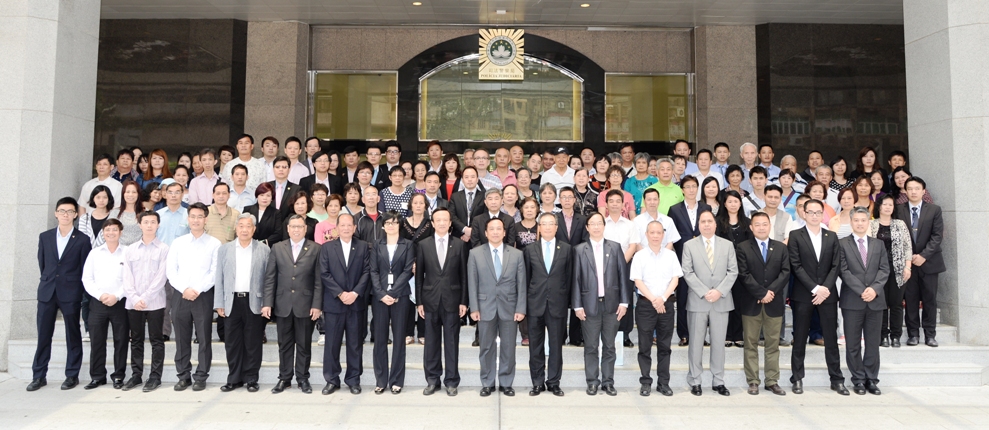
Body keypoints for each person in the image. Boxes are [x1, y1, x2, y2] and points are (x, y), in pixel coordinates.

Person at [28, 197, 94, 392]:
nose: (65, 215)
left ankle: (71, 375)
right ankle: (39, 376)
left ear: (75, 215)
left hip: (71, 292)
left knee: (72, 334)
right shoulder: (45, 237)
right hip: (47, 292)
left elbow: (84, 269)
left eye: (70, 211)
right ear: (56, 213)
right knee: (43, 336)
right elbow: (43, 264)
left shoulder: (82, 239)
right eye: (62, 211)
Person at [787, 198, 847, 395]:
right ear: (803, 213)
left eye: (817, 212)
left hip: (828, 295)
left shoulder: (831, 236)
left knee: (831, 337)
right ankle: (797, 378)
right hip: (804, 294)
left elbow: (835, 265)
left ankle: (836, 379)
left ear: (823, 214)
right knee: (800, 337)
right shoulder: (795, 235)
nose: (814, 215)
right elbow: (795, 265)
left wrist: (825, 289)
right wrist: (814, 288)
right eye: (810, 212)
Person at [262, 214, 322, 394]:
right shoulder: (277, 248)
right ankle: (284, 378)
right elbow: (270, 277)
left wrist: (317, 305)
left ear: (305, 229)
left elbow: (319, 280)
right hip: (283, 304)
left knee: (304, 345)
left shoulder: (316, 248)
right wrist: (267, 303)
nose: (296, 230)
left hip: (306, 304)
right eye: (293, 226)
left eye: (299, 227)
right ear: (288, 229)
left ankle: (303, 378)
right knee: (284, 344)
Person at [468, 217, 527, 397]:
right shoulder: (475, 253)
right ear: (486, 233)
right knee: (486, 347)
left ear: (504, 232)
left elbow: (521, 283)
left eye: (498, 229)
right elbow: (472, 282)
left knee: (509, 347)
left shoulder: (516, 254)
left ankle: (506, 383)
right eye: (491, 229)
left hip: (509, 307)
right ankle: (487, 382)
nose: (495, 232)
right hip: (485, 306)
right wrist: (474, 308)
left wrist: (520, 308)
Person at [681, 210, 737, 397]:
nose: (706, 224)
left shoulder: (727, 245)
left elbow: (733, 271)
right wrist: (705, 292)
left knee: (719, 343)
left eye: (709, 221)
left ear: (715, 224)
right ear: (698, 225)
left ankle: (718, 381)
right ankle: (695, 380)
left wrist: (719, 291)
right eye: (703, 221)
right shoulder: (689, 245)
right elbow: (687, 272)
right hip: (698, 300)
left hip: (721, 300)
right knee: (696, 343)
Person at [572, 212, 628, 396]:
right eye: (592, 224)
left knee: (610, 346)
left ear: (604, 226)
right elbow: (576, 280)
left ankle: (608, 382)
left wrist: (624, 302)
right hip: (589, 306)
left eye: (599, 223)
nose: (596, 227)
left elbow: (622, 276)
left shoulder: (615, 247)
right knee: (591, 346)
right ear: (587, 227)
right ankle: (592, 381)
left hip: (612, 305)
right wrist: (577, 306)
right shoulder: (580, 250)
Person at [166, 202, 221, 392]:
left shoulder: (214, 243)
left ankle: (201, 376)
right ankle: (183, 376)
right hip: (180, 296)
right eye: (193, 216)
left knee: (204, 338)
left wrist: (197, 289)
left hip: (203, 296)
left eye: (200, 216)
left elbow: (214, 273)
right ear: (188, 219)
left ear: (206, 219)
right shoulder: (178, 243)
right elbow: (171, 271)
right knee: (181, 338)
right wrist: (185, 289)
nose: (196, 220)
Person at [214, 214, 270, 393]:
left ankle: (252, 378)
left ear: (254, 229)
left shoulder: (264, 249)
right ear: (236, 229)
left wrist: (267, 303)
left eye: (248, 226)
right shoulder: (225, 249)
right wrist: (219, 302)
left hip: (254, 301)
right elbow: (219, 278)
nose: (244, 229)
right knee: (232, 342)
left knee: (253, 342)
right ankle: (234, 378)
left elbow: (269, 280)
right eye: (241, 226)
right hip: (231, 302)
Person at [735, 212, 790, 396]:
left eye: (764, 224)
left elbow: (785, 272)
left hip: (773, 303)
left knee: (772, 344)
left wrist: (770, 293)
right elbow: (743, 274)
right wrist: (761, 293)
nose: (761, 227)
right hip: (751, 302)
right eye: (757, 224)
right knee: (750, 343)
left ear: (770, 226)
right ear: (751, 227)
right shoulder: (743, 248)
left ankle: (772, 380)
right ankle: (753, 381)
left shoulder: (781, 248)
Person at [415, 208, 468, 396]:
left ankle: (452, 381)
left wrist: (464, 301)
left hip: (453, 301)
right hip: (429, 301)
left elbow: (464, 276)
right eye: (438, 220)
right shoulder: (423, 245)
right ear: (432, 222)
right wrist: (419, 302)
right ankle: (432, 380)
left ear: (450, 222)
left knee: (452, 343)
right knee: (431, 343)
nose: (442, 223)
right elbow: (419, 276)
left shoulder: (460, 245)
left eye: (446, 219)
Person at [838, 206, 890, 395]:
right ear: (851, 222)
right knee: (852, 344)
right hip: (852, 300)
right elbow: (844, 271)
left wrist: (874, 290)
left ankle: (871, 379)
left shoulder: (878, 244)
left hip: (875, 301)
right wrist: (863, 290)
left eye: (863, 220)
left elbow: (884, 269)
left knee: (872, 343)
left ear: (869, 222)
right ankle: (858, 379)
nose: (860, 223)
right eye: (856, 220)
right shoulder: (842, 243)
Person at [319, 214, 371, 395]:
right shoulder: (326, 248)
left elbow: (367, 271)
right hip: (334, 303)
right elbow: (324, 273)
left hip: (356, 303)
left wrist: (355, 293)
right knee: (332, 344)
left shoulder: (363, 247)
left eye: (350, 225)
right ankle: (332, 380)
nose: (346, 228)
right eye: (343, 225)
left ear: (355, 228)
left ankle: (353, 380)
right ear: (337, 227)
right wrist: (341, 294)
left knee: (355, 344)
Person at [523, 213, 572, 397]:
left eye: (551, 224)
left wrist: (568, 302)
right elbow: (526, 279)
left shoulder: (566, 249)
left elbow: (569, 278)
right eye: (544, 224)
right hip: (535, 304)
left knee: (556, 345)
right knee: (535, 346)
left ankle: (554, 382)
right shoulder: (530, 250)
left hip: (557, 305)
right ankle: (537, 382)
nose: (548, 227)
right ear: (539, 227)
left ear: (557, 227)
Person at [630, 221, 682, 397]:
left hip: (666, 304)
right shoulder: (640, 256)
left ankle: (663, 383)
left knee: (664, 346)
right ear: (646, 234)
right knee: (644, 346)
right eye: (652, 232)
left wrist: (663, 299)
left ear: (663, 235)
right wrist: (654, 300)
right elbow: (638, 280)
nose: (655, 235)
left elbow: (675, 279)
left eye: (658, 232)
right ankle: (645, 382)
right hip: (646, 305)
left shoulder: (671, 255)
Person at [120, 211, 169, 392]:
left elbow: (161, 277)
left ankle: (155, 377)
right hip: (133, 303)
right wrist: (134, 298)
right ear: (139, 224)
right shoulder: (130, 249)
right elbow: (126, 277)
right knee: (136, 340)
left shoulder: (164, 249)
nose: (149, 225)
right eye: (145, 222)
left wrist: (146, 297)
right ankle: (136, 375)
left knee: (156, 340)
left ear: (158, 224)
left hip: (155, 302)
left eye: (153, 222)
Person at [369, 211, 415, 394]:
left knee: (399, 340)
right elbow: (372, 271)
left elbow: (408, 270)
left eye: (395, 223)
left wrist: (394, 292)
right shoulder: (376, 245)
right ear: (383, 226)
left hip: (400, 296)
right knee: (380, 339)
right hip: (380, 298)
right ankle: (381, 380)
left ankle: (396, 380)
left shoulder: (408, 245)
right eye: (387, 223)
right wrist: (381, 294)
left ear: (399, 225)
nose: (391, 226)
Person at [80, 218, 127, 390]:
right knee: (97, 341)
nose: (111, 233)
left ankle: (118, 376)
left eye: (114, 230)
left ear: (120, 232)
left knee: (121, 341)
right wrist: (100, 295)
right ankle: (98, 376)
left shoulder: (127, 253)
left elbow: (130, 279)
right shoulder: (94, 253)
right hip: (98, 303)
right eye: (107, 230)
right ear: (103, 233)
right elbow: (87, 278)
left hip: (120, 302)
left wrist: (117, 295)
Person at [896, 177, 944, 347]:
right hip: (908, 264)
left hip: (929, 262)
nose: (914, 191)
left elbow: (937, 236)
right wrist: (909, 257)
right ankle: (913, 334)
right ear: (905, 191)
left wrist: (923, 255)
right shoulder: (898, 209)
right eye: (910, 188)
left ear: (924, 191)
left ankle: (930, 334)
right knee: (911, 299)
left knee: (930, 299)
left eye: (917, 188)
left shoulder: (934, 210)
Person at [668, 175, 711, 347]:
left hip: (704, 258)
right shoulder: (675, 209)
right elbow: (672, 235)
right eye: (688, 187)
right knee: (684, 297)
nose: (691, 190)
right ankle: (684, 334)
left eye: (694, 186)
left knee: (702, 297)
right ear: (682, 189)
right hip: (682, 258)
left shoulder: (705, 207)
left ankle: (701, 335)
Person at [869, 194, 913, 348]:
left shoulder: (900, 224)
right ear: (879, 206)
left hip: (898, 269)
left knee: (896, 303)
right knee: (881, 303)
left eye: (891, 205)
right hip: (877, 271)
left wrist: (908, 266)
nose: (888, 207)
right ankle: (883, 335)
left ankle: (896, 335)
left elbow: (908, 246)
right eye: (885, 204)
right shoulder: (871, 224)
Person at [715, 191, 750, 348]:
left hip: (742, 269)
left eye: (736, 201)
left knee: (739, 303)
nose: (733, 204)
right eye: (730, 201)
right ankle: (726, 335)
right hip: (723, 270)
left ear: (740, 203)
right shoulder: (717, 223)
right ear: (724, 204)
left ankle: (738, 335)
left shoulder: (747, 223)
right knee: (724, 303)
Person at [117, 180, 144, 246]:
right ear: (123, 194)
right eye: (127, 192)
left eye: (134, 192)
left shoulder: (145, 213)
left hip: (139, 251)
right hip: (119, 251)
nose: (130, 195)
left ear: (138, 194)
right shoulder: (115, 212)